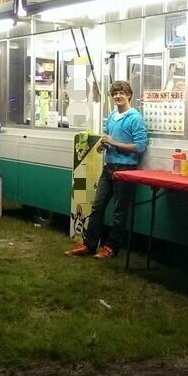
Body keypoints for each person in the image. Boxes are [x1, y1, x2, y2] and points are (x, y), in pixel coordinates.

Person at [65, 80, 148, 259]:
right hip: (108, 167)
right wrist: (104, 145)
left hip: (126, 170)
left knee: (119, 212)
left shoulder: (135, 118)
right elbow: (108, 138)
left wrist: (113, 142)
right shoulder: (111, 116)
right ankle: (89, 245)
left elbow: (140, 147)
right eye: (115, 93)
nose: (118, 96)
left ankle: (111, 248)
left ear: (129, 95)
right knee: (97, 206)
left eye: (121, 93)